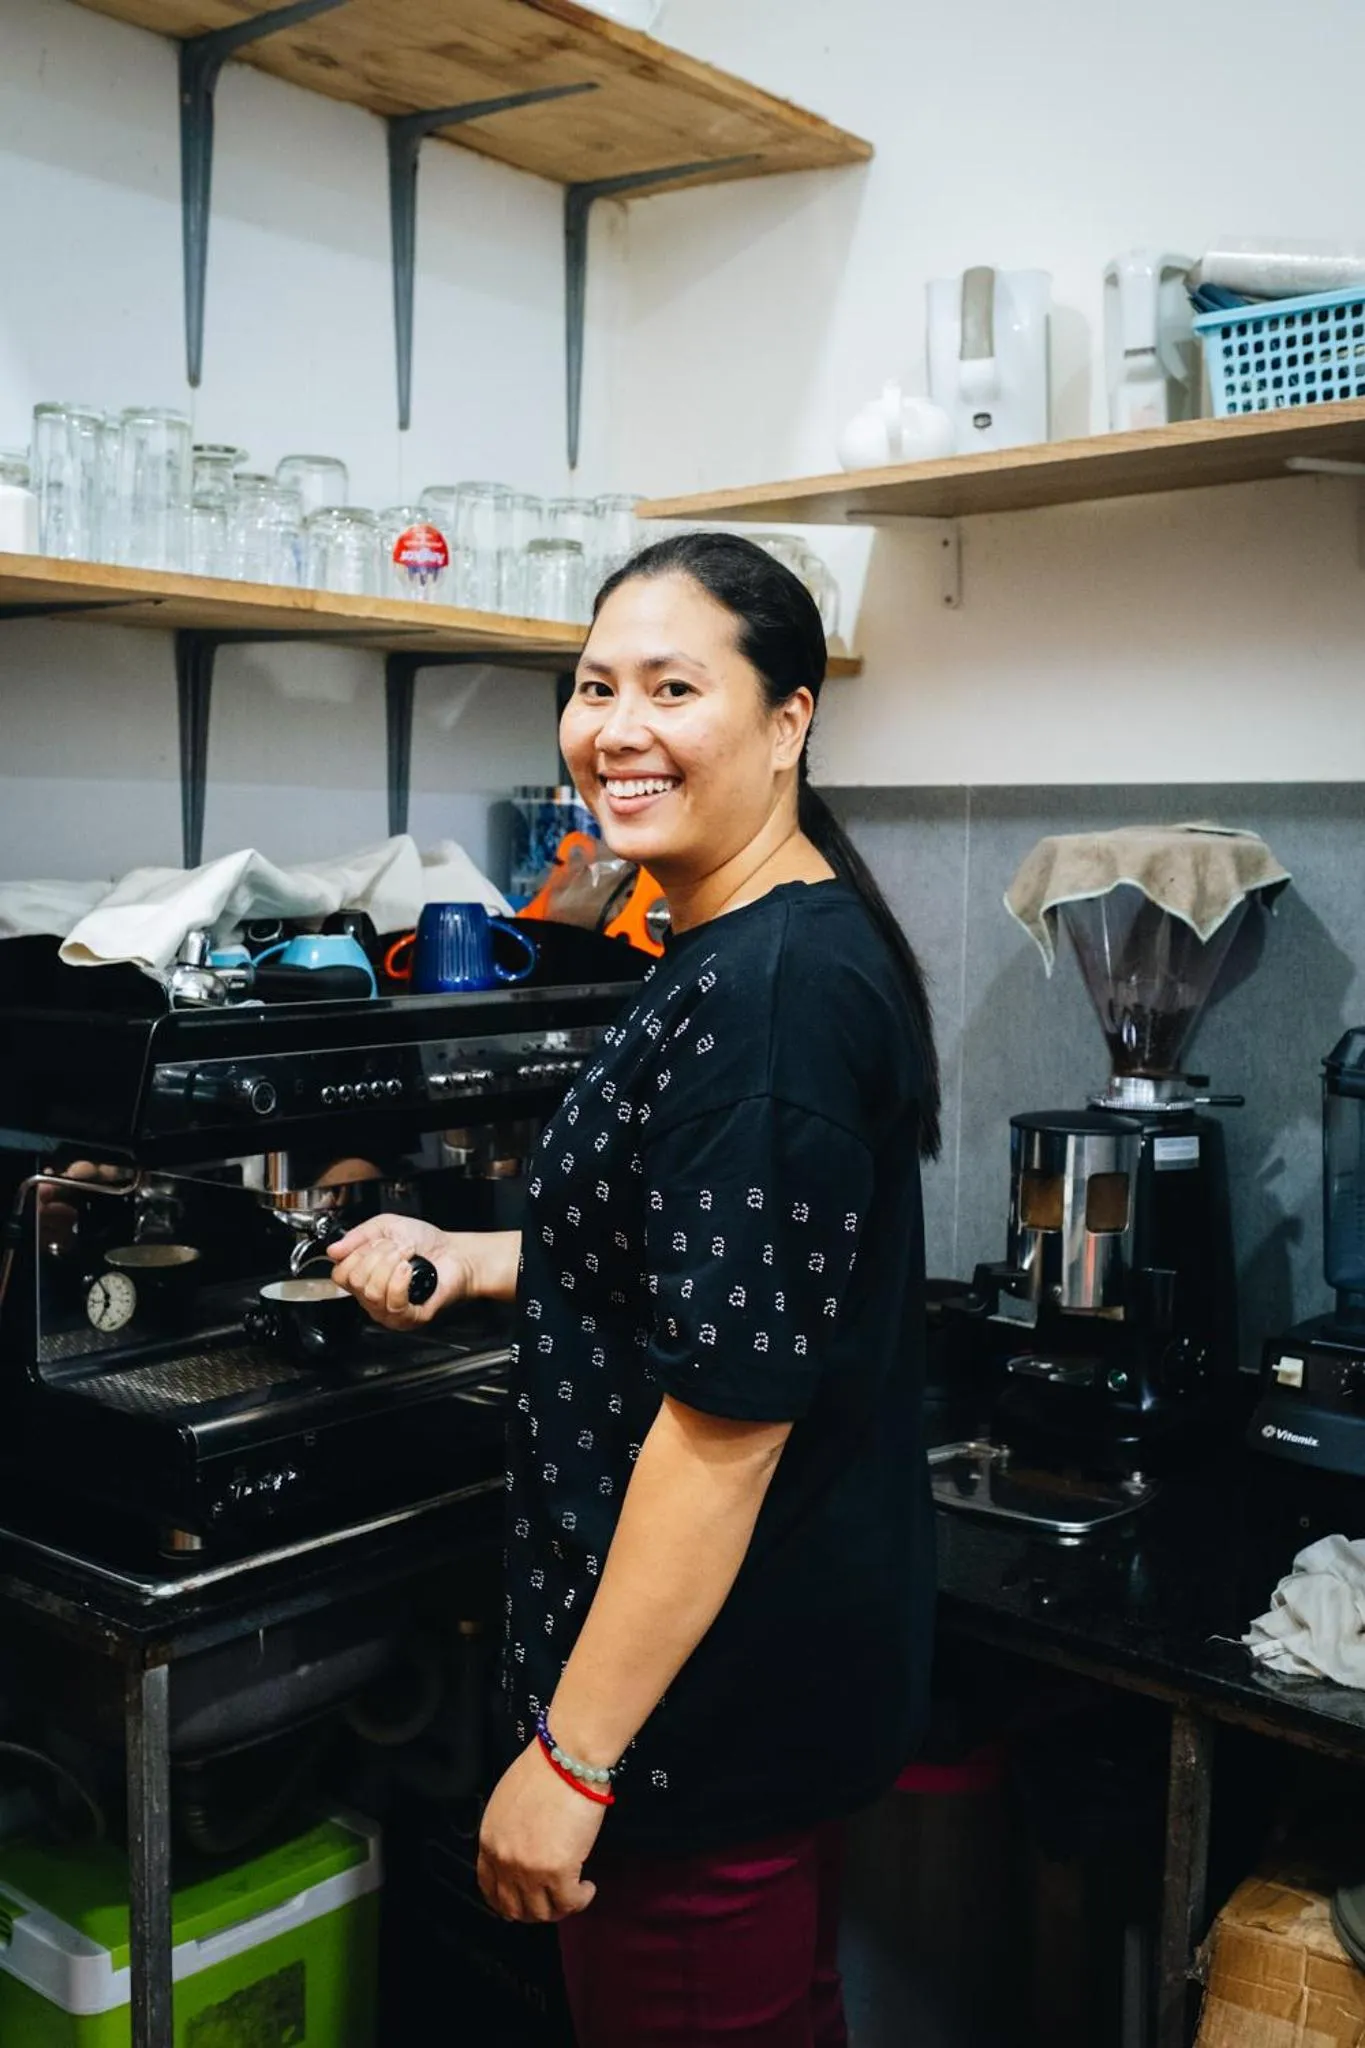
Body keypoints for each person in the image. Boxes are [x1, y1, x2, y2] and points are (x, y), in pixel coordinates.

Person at [328, 531, 941, 2048]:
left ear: (789, 719)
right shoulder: (740, 935)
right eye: (596, 684)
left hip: (689, 1732)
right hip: (762, 1699)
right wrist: (482, 1258)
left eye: (675, 686)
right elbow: (722, 1259)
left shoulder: (768, 1001)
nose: (618, 727)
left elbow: (724, 1426)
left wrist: (576, 1760)